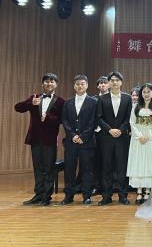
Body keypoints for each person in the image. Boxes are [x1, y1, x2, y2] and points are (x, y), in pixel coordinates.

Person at [14, 73, 65, 206]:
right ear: (42, 84)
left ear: (56, 84)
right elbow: (17, 108)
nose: (49, 83)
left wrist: (49, 118)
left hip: (50, 139)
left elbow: (62, 119)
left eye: (52, 81)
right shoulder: (34, 97)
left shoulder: (61, 101)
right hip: (35, 138)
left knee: (49, 168)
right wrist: (30, 103)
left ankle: (46, 196)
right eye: (46, 81)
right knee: (37, 168)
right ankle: (38, 194)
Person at [97, 71, 133, 206]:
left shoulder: (127, 98)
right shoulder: (102, 99)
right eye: (112, 80)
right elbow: (99, 117)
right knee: (106, 167)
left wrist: (121, 130)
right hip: (106, 138)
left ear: (121, 82)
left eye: (117, 80)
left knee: (121, 167)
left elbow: (129, 117)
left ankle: (123, 195)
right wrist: (109, 130)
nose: (115, 82)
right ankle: (106, 196)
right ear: (109, 83)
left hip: (122, 138)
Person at [61, 74, 98, 205]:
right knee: (69, 169)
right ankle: (68, 196)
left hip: (87, 142)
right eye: (77, 84)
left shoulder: (94, 102)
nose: (80, 86)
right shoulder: (68, 102)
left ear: (87, 85)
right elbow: (65, 120)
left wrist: (83, 136)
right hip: (71, 142)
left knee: (87, 170)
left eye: (82, 84)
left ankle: (87, 195)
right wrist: (73, 135)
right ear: (74, 86)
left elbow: (94, 121)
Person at [127, 83, 152, 205]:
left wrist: (148, 136)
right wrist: (139, 136)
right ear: (141, 94)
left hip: (151, 140)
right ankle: (139, 191)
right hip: (137, 140)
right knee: (138, 163)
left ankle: (147, 191)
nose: (146, 94)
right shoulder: (136, 106)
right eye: (144, 92)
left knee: (149, 163)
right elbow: (132, 122)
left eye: (149, 92)